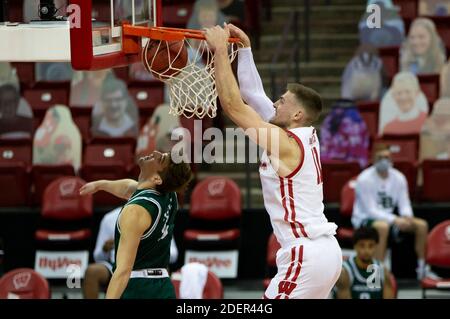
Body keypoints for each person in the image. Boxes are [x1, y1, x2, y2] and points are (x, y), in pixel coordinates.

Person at [205, 24, 342, 299]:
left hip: (306, 252)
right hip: (323, 252)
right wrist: (244, 51)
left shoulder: (286, 143)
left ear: (297, 114)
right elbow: (253, 96)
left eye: (282, 101)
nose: (275, 104)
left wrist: (220, 50)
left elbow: (233, 106)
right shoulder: (295, 133)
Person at [80, 150, 192, 299]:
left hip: (137, 287)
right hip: (163, 286)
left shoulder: (135, 211)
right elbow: (128, 188)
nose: (156, 153)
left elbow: (123, 271)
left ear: (157, 178)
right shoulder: (169, 195)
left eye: (161, 159)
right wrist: (100, 185)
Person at [351, 144, 429, 279]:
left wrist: (407, 216)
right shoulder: (364, 179)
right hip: (364, 219)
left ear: (391, 159)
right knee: (383, 227)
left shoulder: (399, 177)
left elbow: (404, 203)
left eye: (386, 157)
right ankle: (376, 274)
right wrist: (395, 219)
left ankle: (422, 269)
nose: (383, 161)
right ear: (374, 159)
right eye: (380, 157)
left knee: (421, 225)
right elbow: (371, 210)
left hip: (390, 218)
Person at [83, 207, 180, 299]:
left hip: (147, 264)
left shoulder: (160, 216)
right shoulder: (109, 218)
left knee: (163, 269)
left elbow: (174, 254)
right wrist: (105, 249)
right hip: (116, 264)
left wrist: (154, 247)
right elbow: (97, 257)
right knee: (92, 272)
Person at [335, 227, 395, 299]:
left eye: (371, 246)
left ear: (376, 246)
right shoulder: (345, 272)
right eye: (362, 245)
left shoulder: (383, 271)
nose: (367, 250)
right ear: (355, 246)